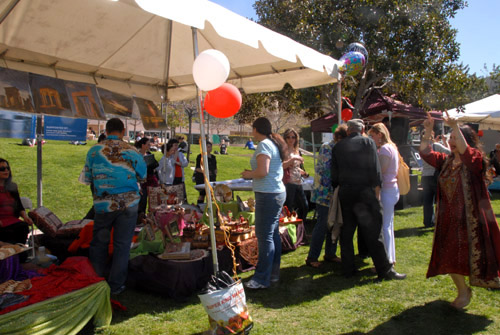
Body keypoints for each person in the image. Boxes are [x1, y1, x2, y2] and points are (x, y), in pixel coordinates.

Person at [419, 112, 500, 309]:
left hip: (471, 220)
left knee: (475, 255)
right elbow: (425, 152)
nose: (451, 141)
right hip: (448, 220)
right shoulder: (445, 161)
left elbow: (465, 153)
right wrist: (428, 132)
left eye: (455, 138)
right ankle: (463, 291)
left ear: (465, 140)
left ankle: (481, 283)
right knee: (449, 256)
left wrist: (455, 126)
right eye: (450, 138)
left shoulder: (475, 159)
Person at [331, 119, 406, 281]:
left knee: (347, 232)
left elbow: (334, 176)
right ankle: (384, 270)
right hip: (364, 192)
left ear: (348, 130)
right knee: (373, 232)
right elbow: (375, 170)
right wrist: (376, 192)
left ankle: (348, 269)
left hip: (346, 191)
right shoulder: (368, 143)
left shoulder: (338, 147)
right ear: (363, 129)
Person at [80, 118, 146, 295]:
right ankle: (116, 285)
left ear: (106, 131)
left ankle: (96, 283)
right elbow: (143, 175)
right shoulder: (131, 151)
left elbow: (87, 179)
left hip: (103, 204)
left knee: (99, 243)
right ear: (123, 131)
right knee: (122, 245)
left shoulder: (94, 151)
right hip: (129, 204)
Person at [241, 117, 286, 289]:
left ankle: (260, 279)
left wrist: (248, 174)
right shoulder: (272, 143)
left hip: (268, 195)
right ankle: (272, 274)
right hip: (274, 193)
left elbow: (262, 171)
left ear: (255, 129)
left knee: (264, 236)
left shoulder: (264, 145)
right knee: (272, 235)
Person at [305, 125, 347, 268]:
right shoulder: (327, 148)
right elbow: (326, 171)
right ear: (338, 137)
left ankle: (330, 253)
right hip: (324, 193)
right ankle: (312, 257)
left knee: (333, 222)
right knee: (322, 224)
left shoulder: (339, 148)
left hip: (333, 192)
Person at [367, 123, 403, 270]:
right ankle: (390, 258)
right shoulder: (392, 148)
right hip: (392, 189)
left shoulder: (384, 150)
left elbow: (379, 172)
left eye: (373, 135)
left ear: (379, 134)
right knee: (388, 225)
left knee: (385, 227)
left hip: (387, 190)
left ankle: (387, 260)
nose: (372, 138)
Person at [0, 158, 34, 249]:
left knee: (22, 226)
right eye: (2, 169)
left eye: (7, 168)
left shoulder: (12, 187)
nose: (6, 170)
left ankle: (18, 253)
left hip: (11, 219)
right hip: (1, 221)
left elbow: (19, 206)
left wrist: (25, 217)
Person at [420, 130, 450, 228]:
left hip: (425, 176)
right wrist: (445, 142)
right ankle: (439, 220)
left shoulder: (422, 147)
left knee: (427, 201)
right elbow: (450, 153)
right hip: (435, 175)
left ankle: (428, 222)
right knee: (439, 200)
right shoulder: (436, 146)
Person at [282, 128, 308, 222]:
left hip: (298, 182)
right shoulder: (283, 152)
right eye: (288, 137)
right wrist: (292, 160)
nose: (291, 139)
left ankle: (300, 228)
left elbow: (296, 167)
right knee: (288, 207)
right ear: (285, 138)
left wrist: (303, 173)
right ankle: (288, 230)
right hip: (288, 182)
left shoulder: (296, 151)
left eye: (293, 137)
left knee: (304, 207)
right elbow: (281, 166)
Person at [134, 137, 159, 218]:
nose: (149, 146)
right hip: (142, 180)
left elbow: (156, 165)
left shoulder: (149, 154)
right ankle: (141, 217)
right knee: (142, 200)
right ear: (143, 145)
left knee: (154, 200)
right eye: (148, 144)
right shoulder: (137, 155)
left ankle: (152, 217)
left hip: (151, 179)